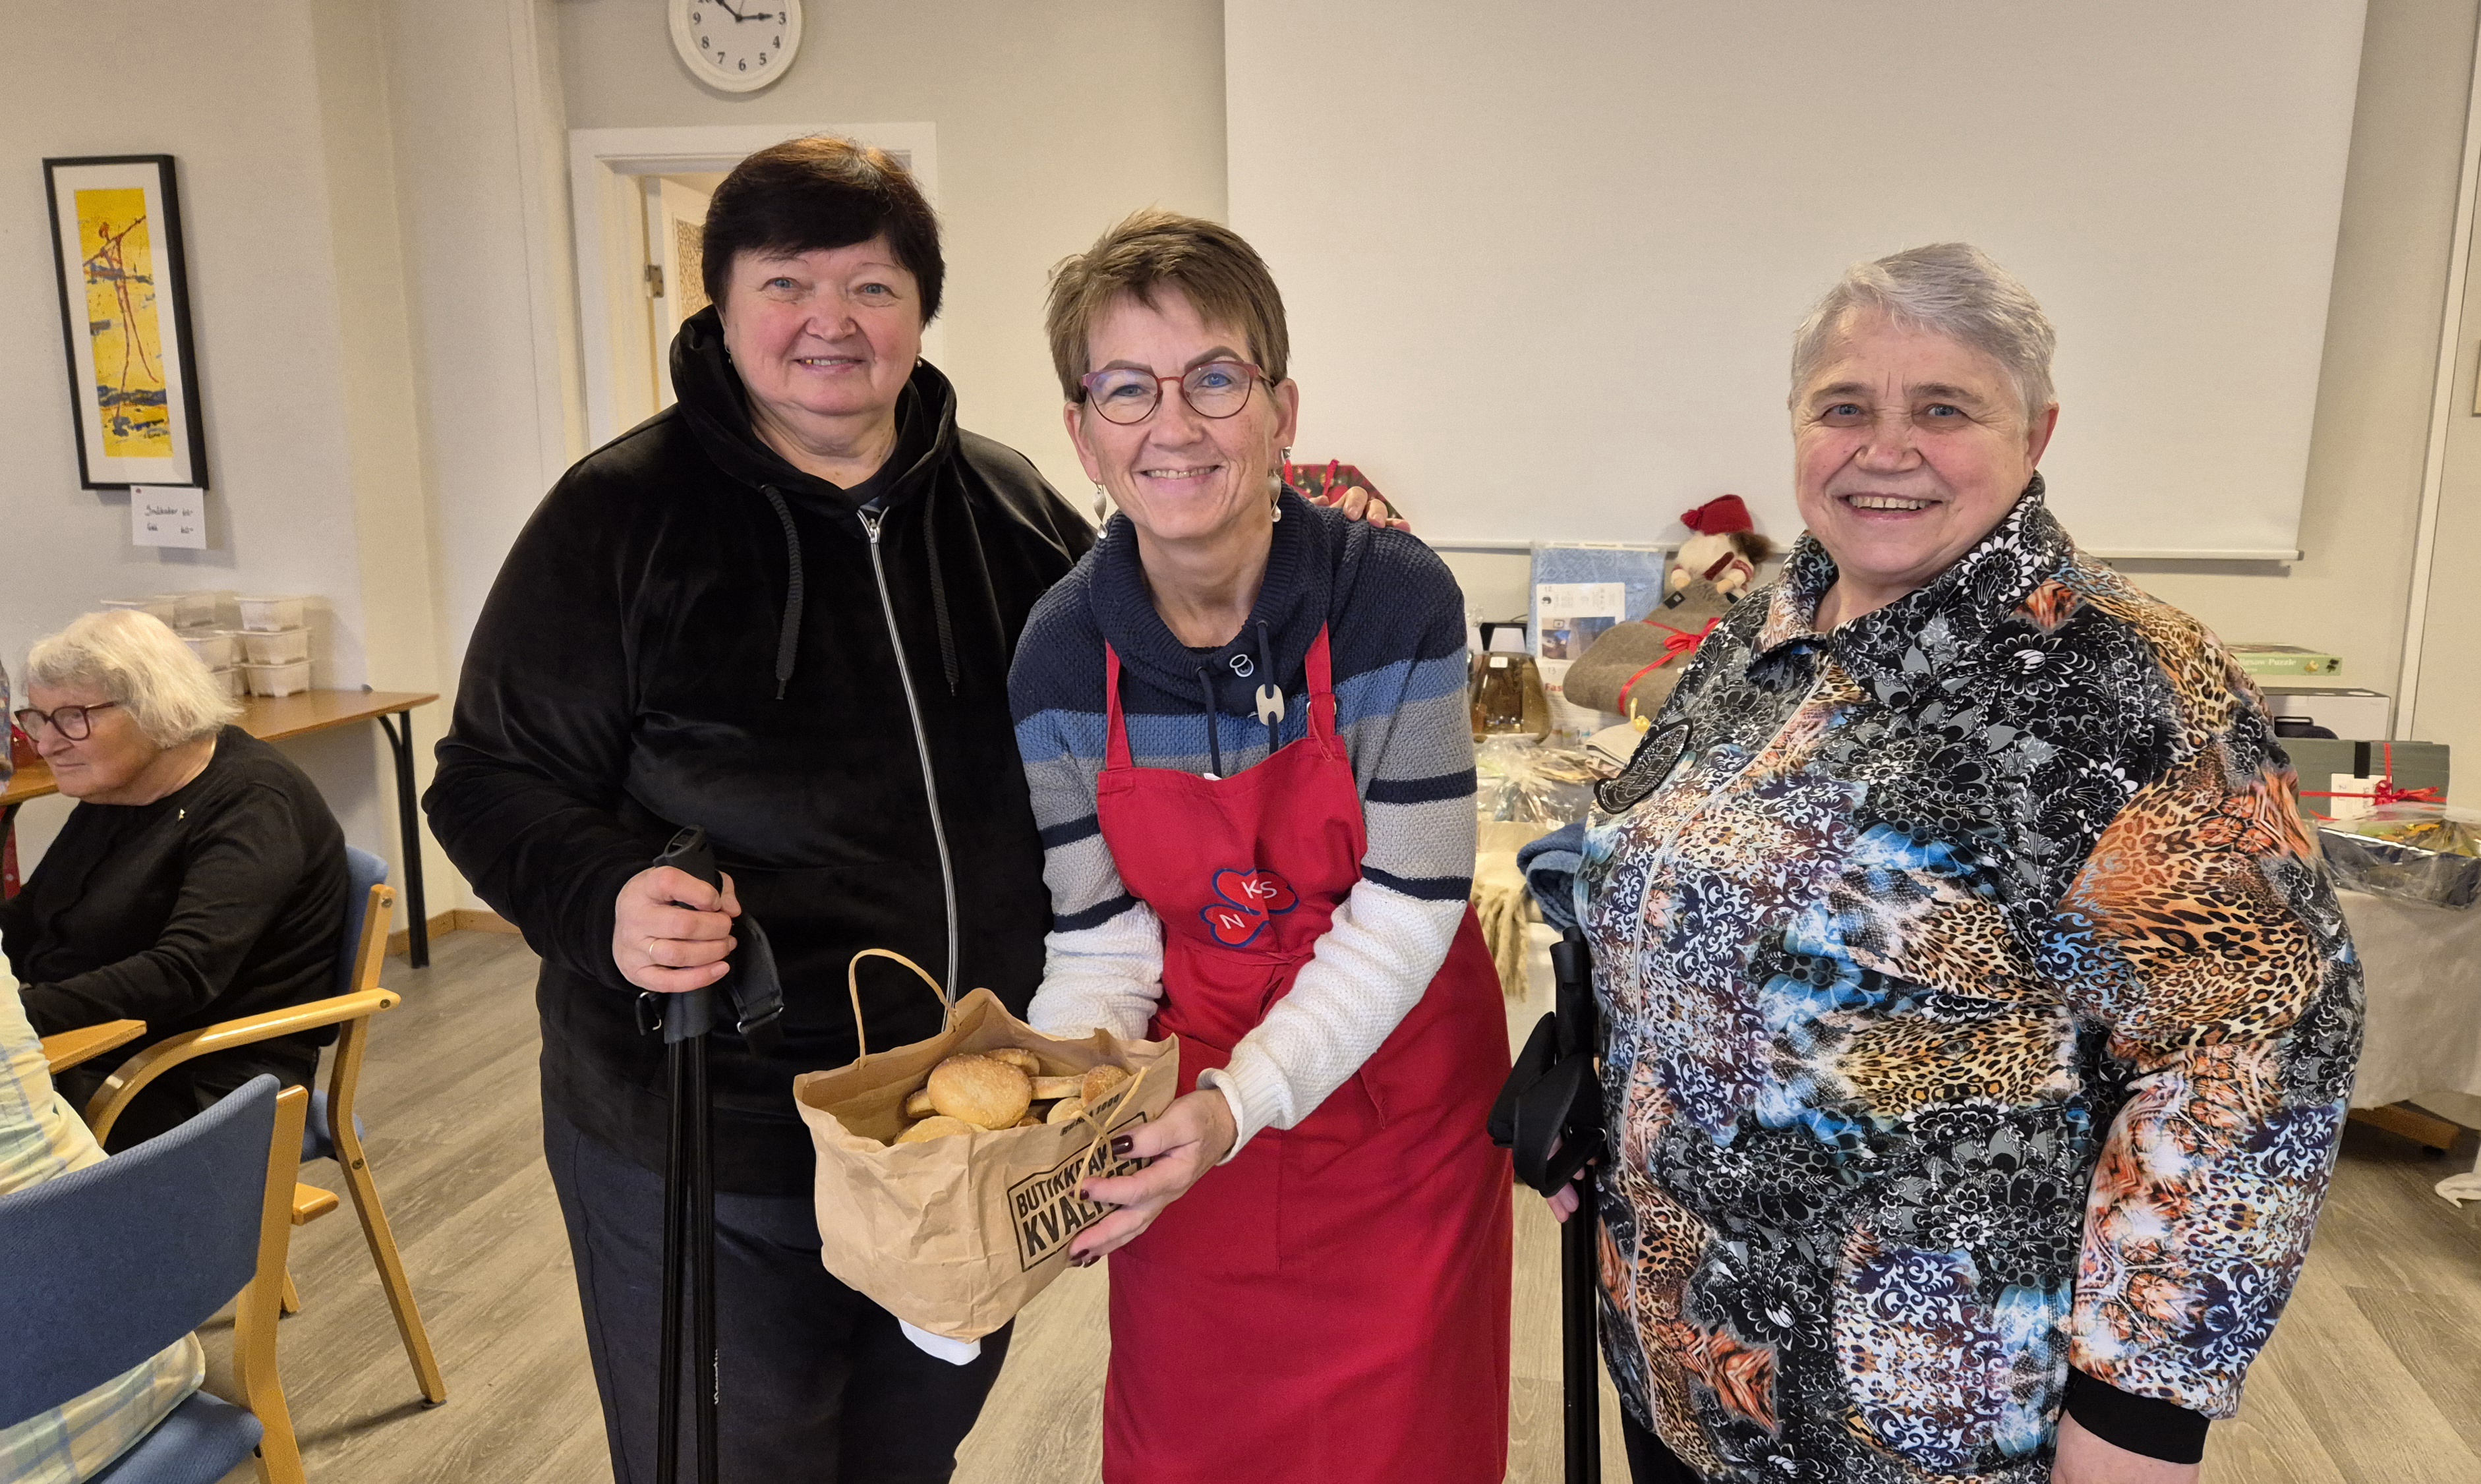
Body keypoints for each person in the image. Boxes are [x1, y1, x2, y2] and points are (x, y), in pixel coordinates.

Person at [1565, 243, 2362, 1484]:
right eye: (1844, 407)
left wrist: (2142, 1419)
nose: (1884, 449)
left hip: (1922, 1417)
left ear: (2034, 432)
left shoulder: (2120, 684)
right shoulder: (1768, 622)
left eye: (1942, 408)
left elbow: (2254, 1047)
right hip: (1683, 1361)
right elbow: (1667, 862)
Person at [1010, 210, 1513, 1483]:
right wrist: (1062, 1102)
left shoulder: (1393, 599)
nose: (1171, 426)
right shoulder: (1061, 653)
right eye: (1125, 388)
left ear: (1280, 408)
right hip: (1188, 1134)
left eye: (1214, 379)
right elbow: (1099, 937)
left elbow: (1409, 907)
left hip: (1397, 1118)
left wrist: (1241, 1103)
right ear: (1080, 432)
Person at [5, 611, 347, 1149]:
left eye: (73, 717)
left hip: (202, 1077)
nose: (46, 745)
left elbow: (183, 973)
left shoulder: (254, 802)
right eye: (37, 718)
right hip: (108, 1050)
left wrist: (16, 1019)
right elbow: (30, 922)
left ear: (157, 708)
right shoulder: (122, 786)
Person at [0, 951, 209, 1483]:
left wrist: (28, 1005)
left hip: (191, 1070)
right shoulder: (83, 861)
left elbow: (181, 969)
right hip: (145, 1348)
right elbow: (37, 917)